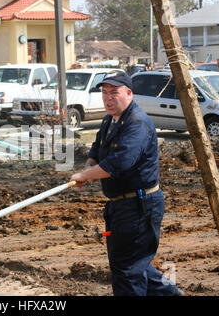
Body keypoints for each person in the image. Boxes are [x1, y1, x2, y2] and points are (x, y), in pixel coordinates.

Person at [70, 71, 183, 296]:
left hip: (139, 206)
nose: (108, 98)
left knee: (127, 269)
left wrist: (87, 176)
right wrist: (88, 170)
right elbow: (96, 151)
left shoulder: (137, 123)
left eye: (114, 93)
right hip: (120, 206)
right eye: (104, 93)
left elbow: (120, 161)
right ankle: (169, 294)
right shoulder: (109, 121)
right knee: (131, 263)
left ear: (129, 93)